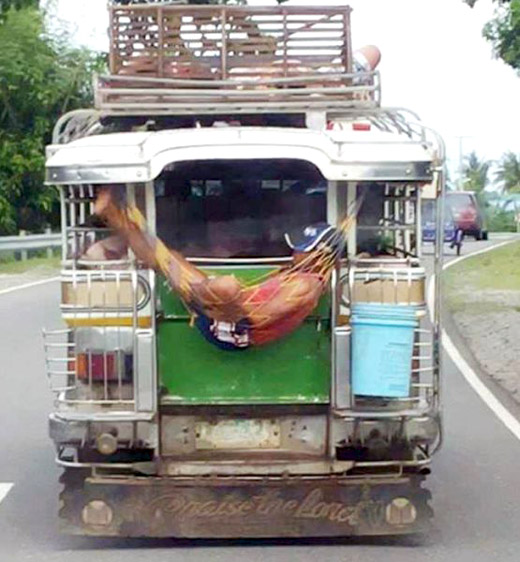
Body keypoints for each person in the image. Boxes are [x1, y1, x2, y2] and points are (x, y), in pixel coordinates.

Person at [94, 188, 346, 350]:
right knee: (170, 259)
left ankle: (116, 216)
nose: (295, 253)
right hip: (227, 315)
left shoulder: (305, 285)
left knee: (223, 285)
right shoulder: (298, 274)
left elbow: (258, 318)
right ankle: (118, 217)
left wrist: (224, 301)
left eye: (302, 249)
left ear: (320, 254)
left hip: (233, 330)